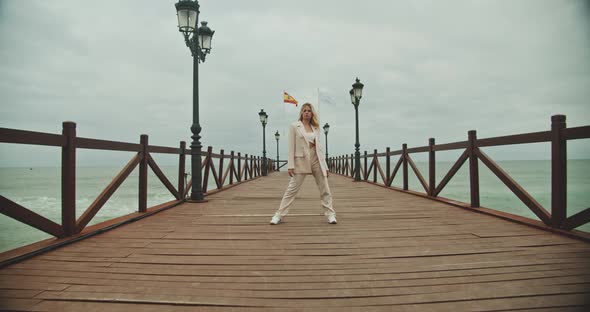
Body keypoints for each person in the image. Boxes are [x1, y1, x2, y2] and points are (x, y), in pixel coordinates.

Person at [270, 103, 337, 225]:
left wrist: (325, 166)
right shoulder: (294, 126)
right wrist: (290, 165)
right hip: (301, 160)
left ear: (312, 114)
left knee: (324, 187)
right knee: (292, 189)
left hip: (316, 158)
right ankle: (279, 215)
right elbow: (291, 147)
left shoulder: (316, 128)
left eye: (309, 111)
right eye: (304, 110)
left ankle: (330, 214)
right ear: (301, 112)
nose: (306, 112)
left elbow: (320, 148)